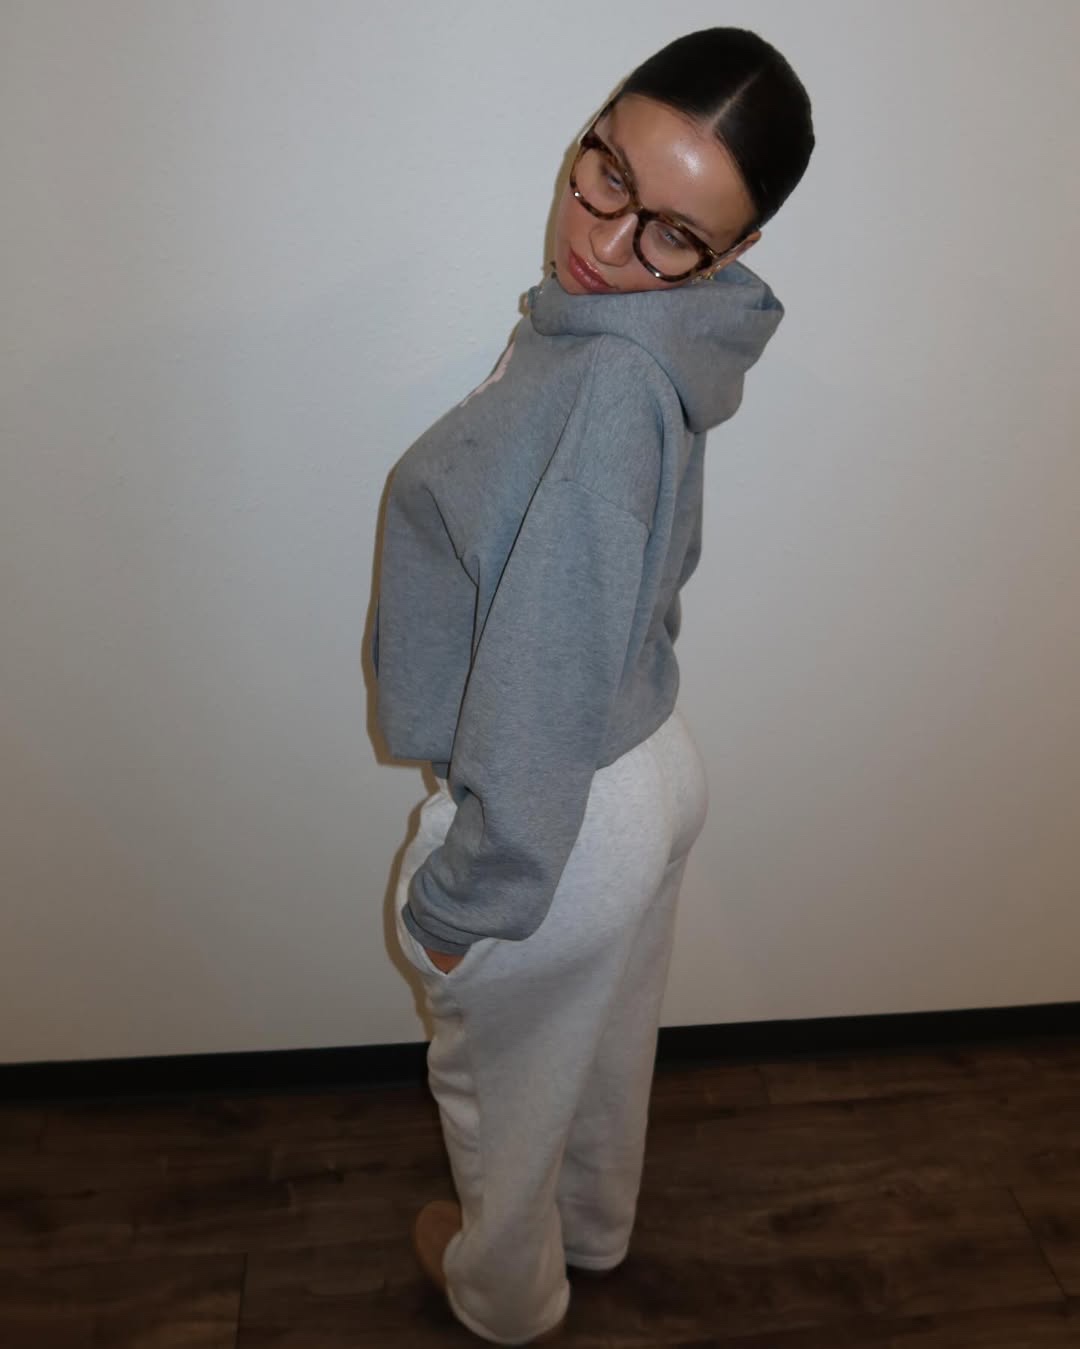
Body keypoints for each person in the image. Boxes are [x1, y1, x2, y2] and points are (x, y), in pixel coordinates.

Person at [371, 25, 814, 1346]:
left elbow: (543, 667)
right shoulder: (645, 340)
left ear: (733, 252)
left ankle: (503, 1296)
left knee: (498, 1109)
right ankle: (599, 1231)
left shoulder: (610, 375)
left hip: (558, 806)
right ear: (592, 126)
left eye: (673, 234)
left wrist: (469, 894)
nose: (606, 242)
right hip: (644, 762)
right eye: (607, 170)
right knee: (606, 1053)